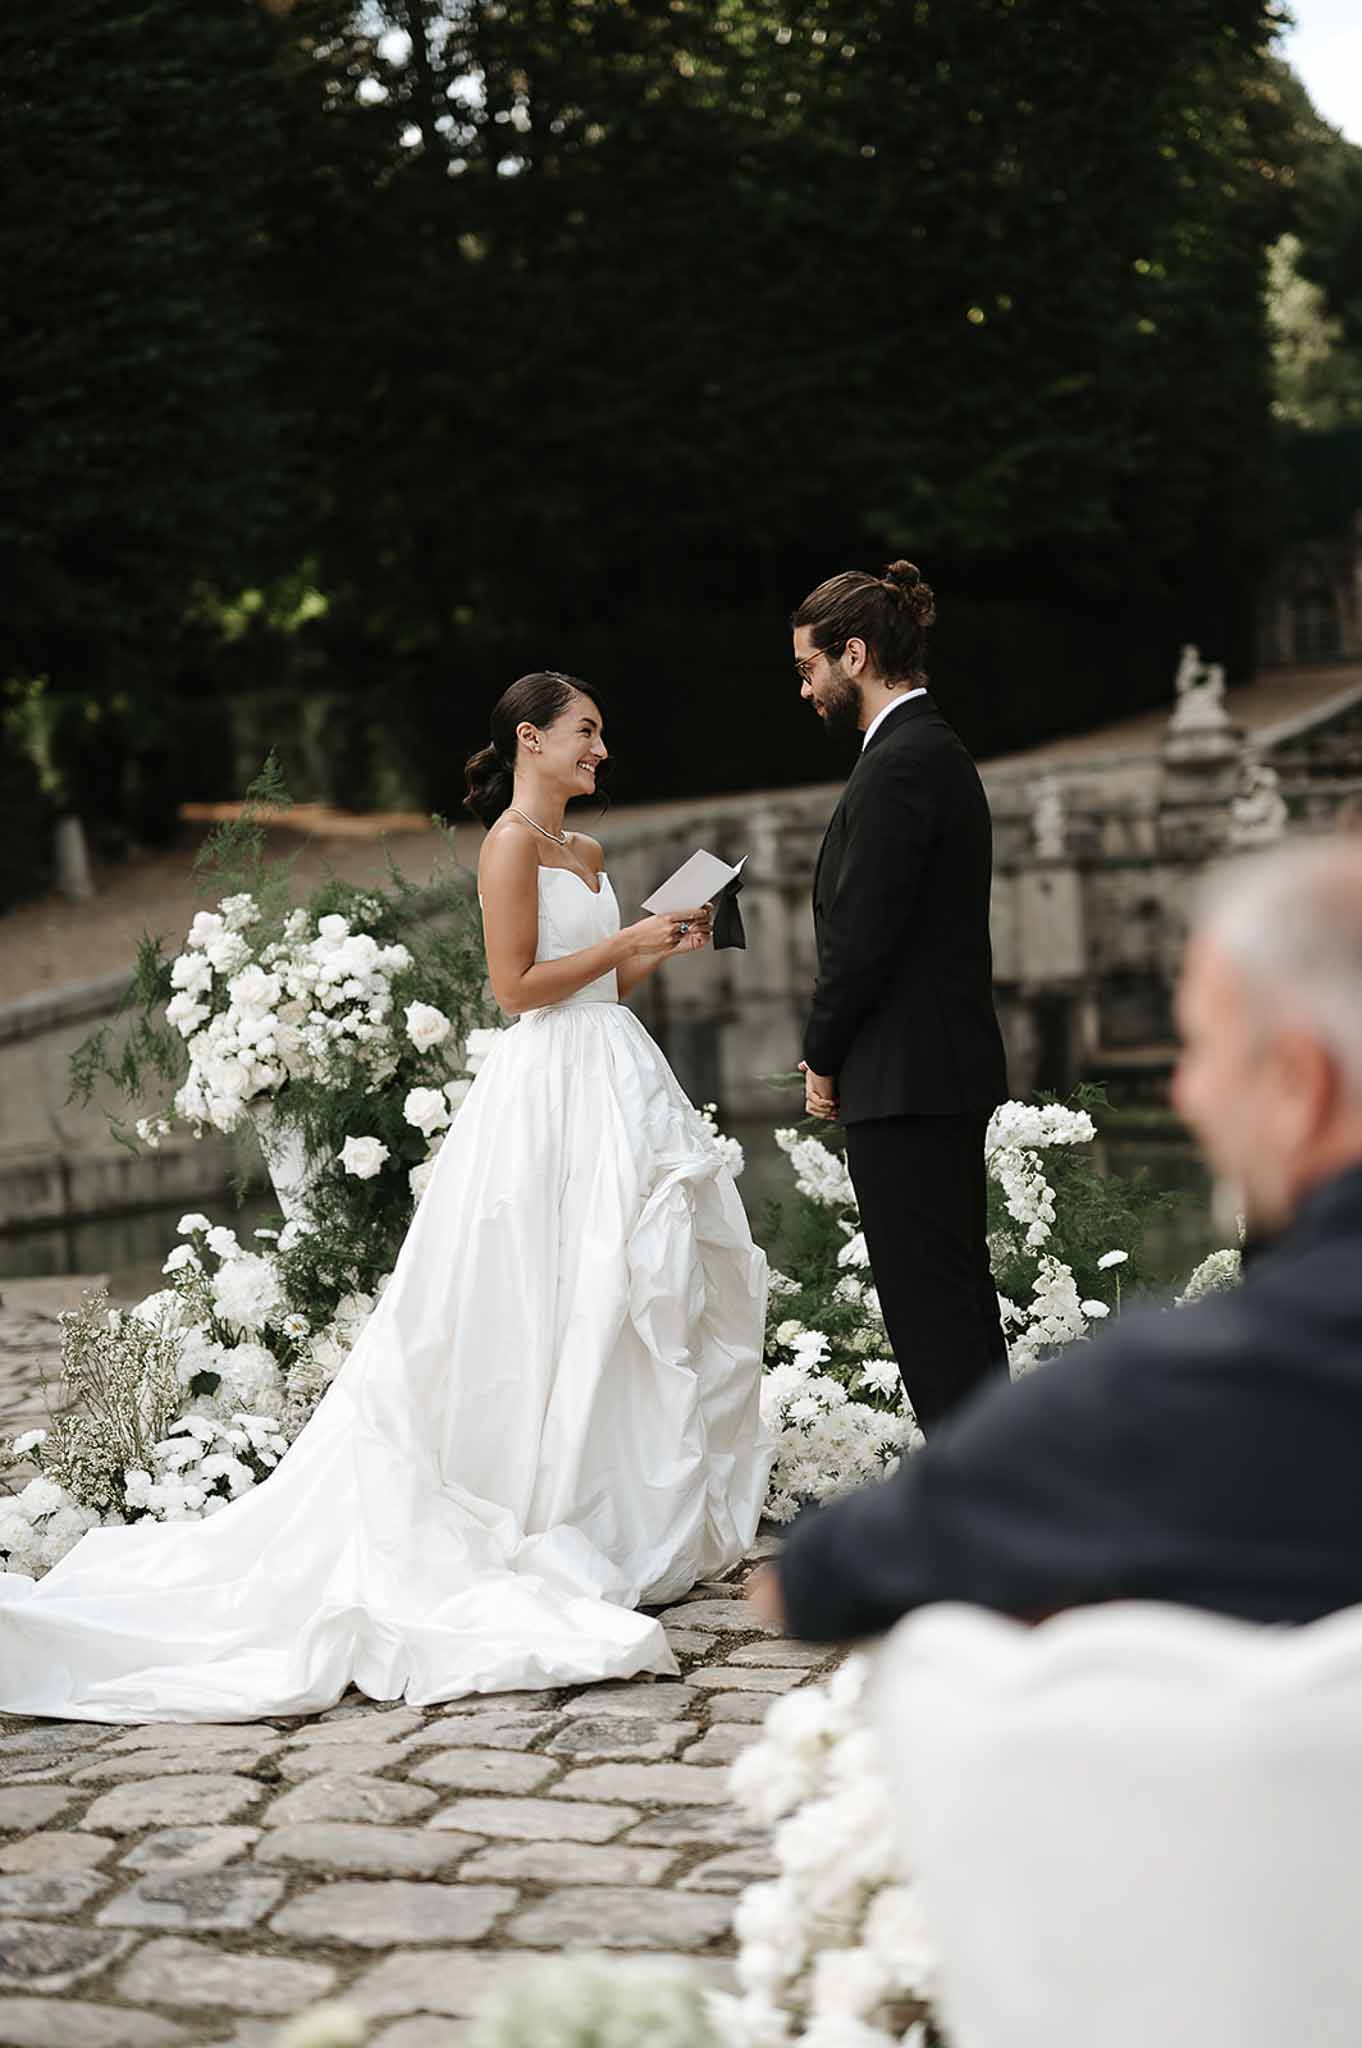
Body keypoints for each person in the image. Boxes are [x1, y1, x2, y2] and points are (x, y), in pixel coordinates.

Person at [0, 672, 772, 1721]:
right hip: (540, 1093)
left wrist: (655, 945)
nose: (602, 748)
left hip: (616, 1081)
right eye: (586, 731)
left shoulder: (588, 855)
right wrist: (626, 941)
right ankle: (525, 1497)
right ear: (530, 739)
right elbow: (514, 988)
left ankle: (610, 1495)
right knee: (540, 1285)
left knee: (621, 1286)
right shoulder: (507, 844)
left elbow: (594, 984)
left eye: (602, 732)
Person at [749, 836, 1362, 1641]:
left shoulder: (1212, 1380)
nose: (1184, 1093)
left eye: (1201, 1049)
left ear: (1297, 1081)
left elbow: (815, 1582)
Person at [794, 560, 1009, 1429]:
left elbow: (861, 939)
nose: (802, 690)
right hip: (929, 1070)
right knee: (949, 1298)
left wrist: (822, 1055)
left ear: (855, 654)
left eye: (808, 669)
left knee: (932, 1307)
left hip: (908, 1075)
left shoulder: (901, 765)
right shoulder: (924, 750)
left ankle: (982, 1518)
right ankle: (997, 1504)